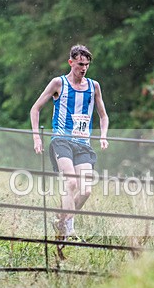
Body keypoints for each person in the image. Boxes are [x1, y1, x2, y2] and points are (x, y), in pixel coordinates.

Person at [30, 44, 109, 239]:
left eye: (87, 65)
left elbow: (103, 116)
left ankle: (61, 219)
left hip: (83, 144)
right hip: (61, 140)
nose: (84, 68)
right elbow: (35, 109)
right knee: (71, 182)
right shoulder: (59, 83)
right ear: (71, 62)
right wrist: (36, 137)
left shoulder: (94, 86)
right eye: (80, 64)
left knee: (86, 190)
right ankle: (68, 230)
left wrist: (103, 135)